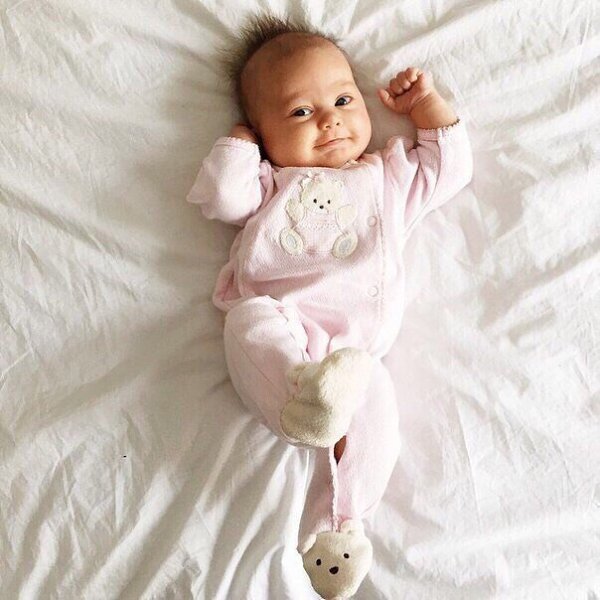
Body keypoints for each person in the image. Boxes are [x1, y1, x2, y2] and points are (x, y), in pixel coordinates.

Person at [187, 13, 473, 599]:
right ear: (264, 134)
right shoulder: (270, 183)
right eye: (300, 112)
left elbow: (447, 169)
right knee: (246, 324)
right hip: (280, 320)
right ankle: (300, 400)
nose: (330, 119)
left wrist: (426, 107)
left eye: (343, 99)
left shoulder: (384, 176)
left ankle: (337, 529)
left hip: (354, 356)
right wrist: (239, 143)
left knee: (376, 423)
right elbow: (221, 195)